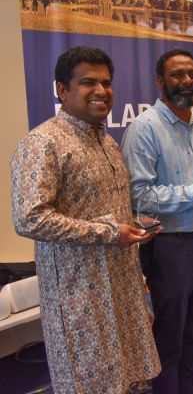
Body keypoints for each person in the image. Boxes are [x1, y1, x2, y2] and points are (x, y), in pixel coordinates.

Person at [10, 46, 161, 393]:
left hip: (120, 286)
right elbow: (29, 218)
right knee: (89, 383)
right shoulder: (42, 143)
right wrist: (108, 233)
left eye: (106, 83)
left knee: (124, 379)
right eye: (87, 82)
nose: (101, 91)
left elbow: (102, 209)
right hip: (79, 294)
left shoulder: (107, 142)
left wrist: (135, 225)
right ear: (62, 90)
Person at [121, 48, 193, 394]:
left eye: (192, 74)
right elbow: (140, 199)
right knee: (170, 337)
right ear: (160, 81)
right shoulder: (143, 129)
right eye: (177, 74)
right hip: (170, 247)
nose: (186, 81)